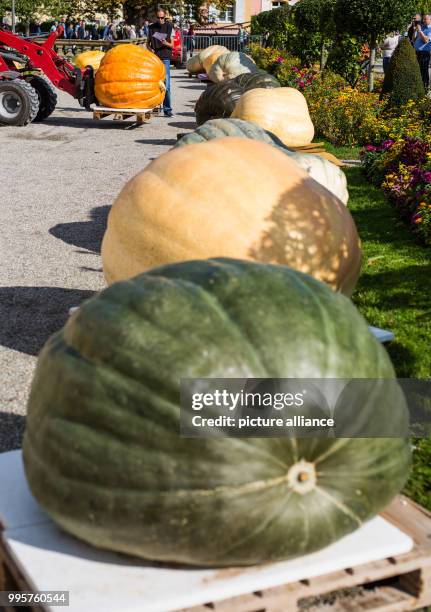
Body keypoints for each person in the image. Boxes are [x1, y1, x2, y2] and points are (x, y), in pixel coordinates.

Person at [148, 9, 173, 117]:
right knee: (153, 83)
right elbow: (147, 43)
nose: (160, 20)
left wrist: (166, 43)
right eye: (158, 18)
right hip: (155, 58)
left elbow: (173, 45)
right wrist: (150, 49)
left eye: (162, 18)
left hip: (165, 58)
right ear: (155, 17)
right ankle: (154, 107)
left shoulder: (169, 26)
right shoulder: (151, 27)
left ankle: (167, 109)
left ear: (165, 17)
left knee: (166, 85)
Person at [414, 14, 431, 89]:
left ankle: (425, 87)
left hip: (424, 53)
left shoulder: (430, 29)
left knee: (424, 71)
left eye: (426, 19)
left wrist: (420, 31)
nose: (424, 21)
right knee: (418, 70)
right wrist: (416, 30)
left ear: (430, 20)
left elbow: (426, 40)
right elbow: (414, 39)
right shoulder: (422, 27)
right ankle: (419, 87)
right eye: (423, 19)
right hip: (417, 52)